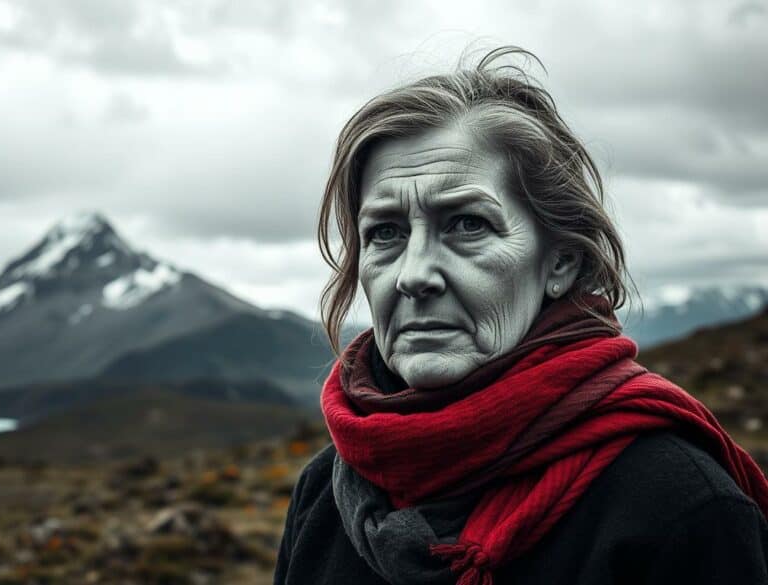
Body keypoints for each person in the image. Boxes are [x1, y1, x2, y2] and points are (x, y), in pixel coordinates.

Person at [273, 46, 768, 585]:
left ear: (559, 260)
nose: (414, 274)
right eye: (385, 232)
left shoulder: (679, 505)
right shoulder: (325, 492)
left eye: (465, 225)